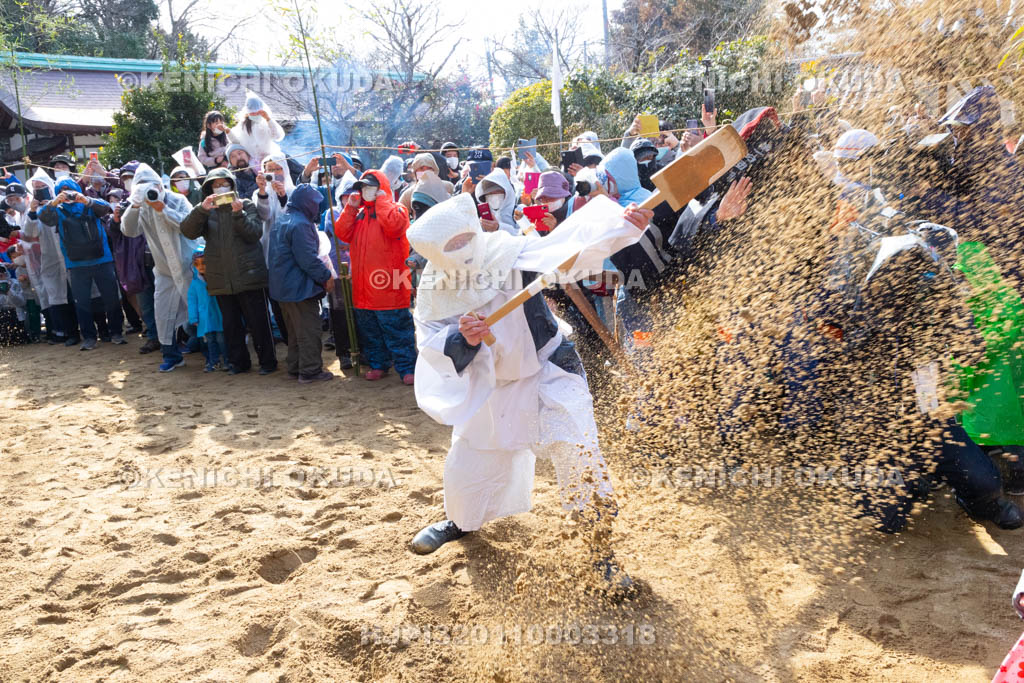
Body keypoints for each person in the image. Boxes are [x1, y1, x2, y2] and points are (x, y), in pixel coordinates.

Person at [406, 192, 651, 598]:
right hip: (493, 382)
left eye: (464, 238)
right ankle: (462, 522)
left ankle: (601, 552)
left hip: (548, 367)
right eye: (450, 247)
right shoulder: (434, 289)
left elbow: (568, 250)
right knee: (471, 457)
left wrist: (622, 228)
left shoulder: (507, 249)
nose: (461, 250)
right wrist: (461, 339)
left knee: (579, 450)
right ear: (435, 252)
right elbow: (431, 344)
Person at [180, 167, 278, 375]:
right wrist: (201, 209)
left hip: (250, 275)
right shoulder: (206, 210)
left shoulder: (246, 205)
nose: (220, 188)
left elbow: (254, 234)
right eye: (215, 185)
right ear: (209, 189)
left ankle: (268, 362)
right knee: (231, 325)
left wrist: (238, 214)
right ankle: (238, 363)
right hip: (221, 278)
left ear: (232, 185)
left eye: (224, 184)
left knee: (258, 323)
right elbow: (188, 231)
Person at [333, 169, 417, 384]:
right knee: (370, 333)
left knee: (398, 332)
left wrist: (382, 201)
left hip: (390, 287)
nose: (366, 191)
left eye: (371, 187)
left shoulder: (396, 210)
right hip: (363, 290)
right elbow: (341, 234)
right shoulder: (359, 214)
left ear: (382, 188)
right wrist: (351, 208)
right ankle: (378, 364)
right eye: (363, 188)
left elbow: (393, 227)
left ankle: (407, 368)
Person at [121, 164, 197, 372]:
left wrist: (162, 209)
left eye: (152, 185)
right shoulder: (140, 208)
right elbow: (128, 231)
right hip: (164, 271)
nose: (149, 189)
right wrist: (135, 205)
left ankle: (210, 350)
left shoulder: (178, 200)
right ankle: (171, 355)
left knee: (198, 312)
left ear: (160, 185)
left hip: (189, 267)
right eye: (142, 186)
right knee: (163, 314)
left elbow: (188, 225)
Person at [38, 175, 124, 350]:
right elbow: (43, 217)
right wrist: (54, 202)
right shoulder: (58, 210)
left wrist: (87, 200)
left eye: (69, 190)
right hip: (75, 264)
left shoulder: (89, 203)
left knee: (112, 298)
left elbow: (106, 208)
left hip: (102, 259)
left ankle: (116, 332)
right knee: (82, 303)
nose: (67, 194)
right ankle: (89, 337)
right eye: (62, 191)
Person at [268, 183, 336, 384]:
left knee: (295, 331)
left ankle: (295, 367)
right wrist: (326, 276)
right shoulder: (301, 224)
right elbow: (307, 259)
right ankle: (310, 371)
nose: (316, 207)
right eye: (314, 203)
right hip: (299, 288)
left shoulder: (283, 220)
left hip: (282, 288)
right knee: (309, 329)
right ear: (306, 203)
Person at [187, 249, 226, 372]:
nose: (201, 267)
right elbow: (192, 301)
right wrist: (193, 317)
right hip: (205, 318)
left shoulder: (218, 278)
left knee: (222, 340)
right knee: (209, 341)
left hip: (219, 316)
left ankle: (227, 360)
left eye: (204, 263)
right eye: (197, 264)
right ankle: (213, 362)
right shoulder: (195, 283)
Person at [228, 94, 285, 171]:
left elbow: (277, 136)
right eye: (252, 113)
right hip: (254, 164)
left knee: (276, 178)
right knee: (260, 181)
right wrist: (228, 132)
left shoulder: (266, 122)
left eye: (256, 112)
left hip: (271, 160)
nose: (254, 114)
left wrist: (268, 119)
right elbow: (237, 141)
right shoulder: (243, 125)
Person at [473, 169, 518, 234]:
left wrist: (499, 227)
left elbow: (527, 235)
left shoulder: (519, 211)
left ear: (507, 192)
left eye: (498, 192)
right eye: (490, 193)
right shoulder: (485, 217)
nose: (494, 196)